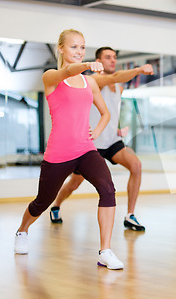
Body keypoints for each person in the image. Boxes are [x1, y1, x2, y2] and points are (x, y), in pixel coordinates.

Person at [14, 29, 123, 269]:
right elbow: (66, 71)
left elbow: (105, 113)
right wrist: (86, 64)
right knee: (43, 201)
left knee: (108, 188)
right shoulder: (51, 77)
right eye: (74, 47)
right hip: (59, 153)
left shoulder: (89, 81)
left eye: (82, 47)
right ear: (61, 48)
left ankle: (105, 250)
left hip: (86, 150)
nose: (79, 51)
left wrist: (97, 130)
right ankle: (22, 230)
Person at [49, 47, 153, 231]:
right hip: (91, 144)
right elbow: (113, 77)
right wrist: (138, 70)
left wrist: (117, 128)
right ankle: (56, 205)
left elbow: (110, 111)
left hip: (112, 141)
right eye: (107, 57)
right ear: (98, 60)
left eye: (114, 57)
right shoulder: (96, 80)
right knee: (74, 183)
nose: (112, 60)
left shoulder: (118, 88)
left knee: (136, 166)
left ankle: (130, 215)